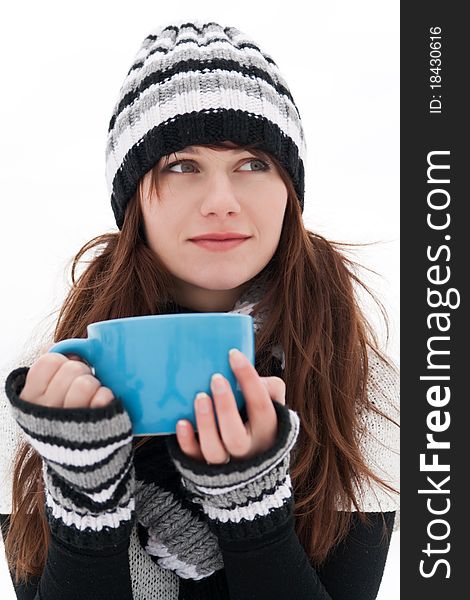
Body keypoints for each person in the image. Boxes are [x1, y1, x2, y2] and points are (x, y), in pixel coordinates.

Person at [0, 18, 399, 600]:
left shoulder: (359, 384)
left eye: (254, 164)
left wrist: (253, 507)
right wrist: (85, 499)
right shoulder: (47, 394)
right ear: (133, 196)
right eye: (182, 166)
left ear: (290, 191)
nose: (221, 202)